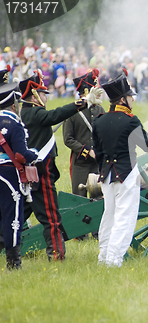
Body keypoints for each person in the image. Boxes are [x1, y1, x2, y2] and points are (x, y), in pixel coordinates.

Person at [19, 71, 92, 261]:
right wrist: (82, 103)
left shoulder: (26, 113)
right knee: (51, 217)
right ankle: (56, 255)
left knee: (19, 214)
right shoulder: (34, 112)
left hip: (31, 173)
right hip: (41, 175)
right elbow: (56, 114)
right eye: (43, 93)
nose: (45, 97)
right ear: (34, 94)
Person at [93, 73, 148, 267]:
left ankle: (104, 256)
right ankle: (113, 260)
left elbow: (98, 152)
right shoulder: (130, 120)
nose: (133, 99)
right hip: (126, 174)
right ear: (123, 99)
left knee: (109, 216)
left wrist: (104, 171)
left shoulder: (99, 120)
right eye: (130, 96)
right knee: (124, 218)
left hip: (106, 175)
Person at [0, 82, 39, 270]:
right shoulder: (15, 123)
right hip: (8, 174)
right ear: (14, 104)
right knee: (12, 218)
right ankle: (13, 263)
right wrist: (35, 153)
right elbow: (21, 154)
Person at [63, 69, 105, 240]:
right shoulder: (73, 112)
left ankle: (97, 232)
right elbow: (68, 139)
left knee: (98, 197)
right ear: (87, 91)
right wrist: (87, 151)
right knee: (79, 199)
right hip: (81, 162)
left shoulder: (100, 109)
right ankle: (80, 234)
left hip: (97, 163)